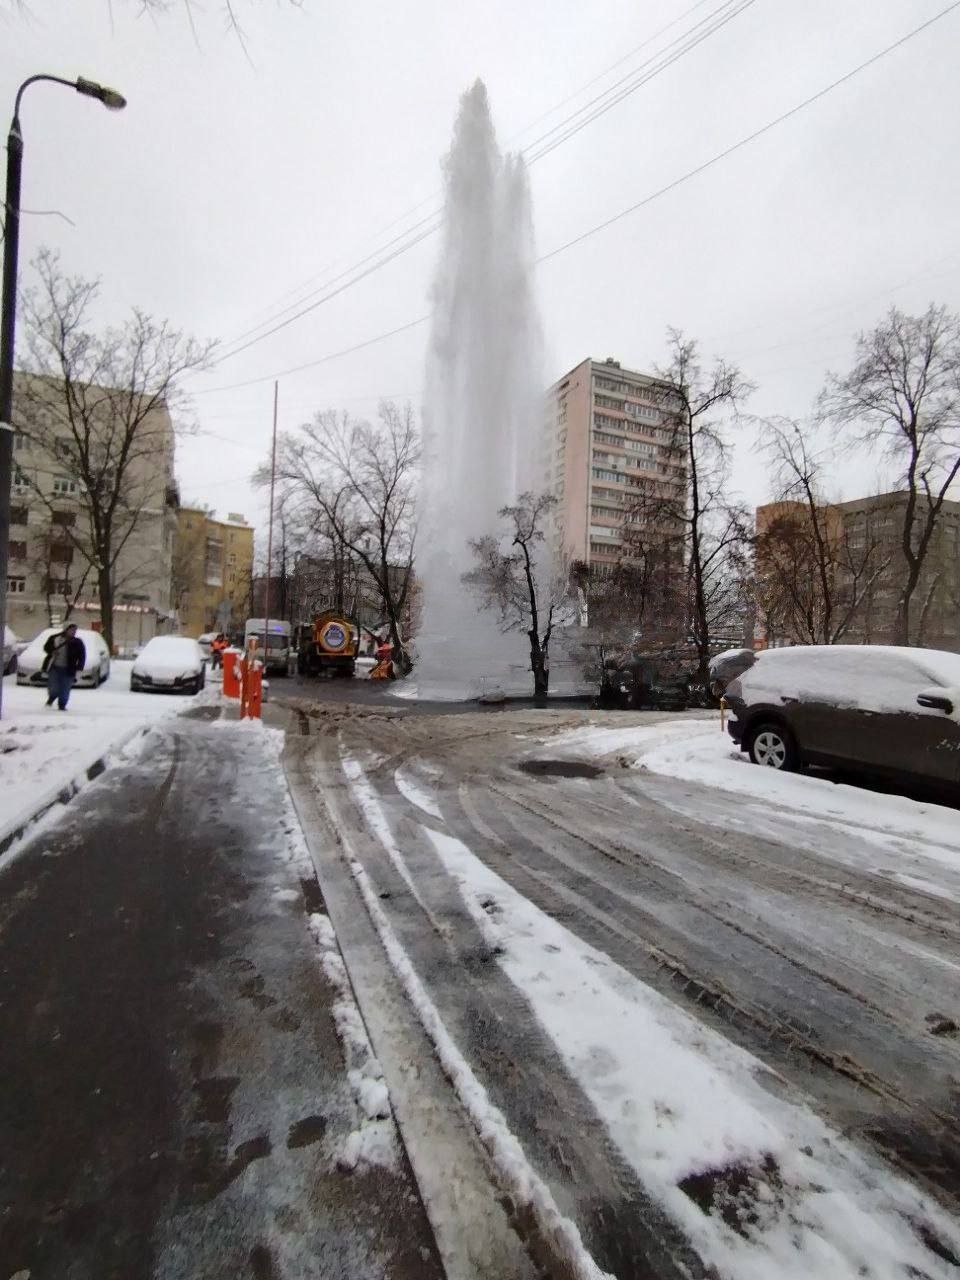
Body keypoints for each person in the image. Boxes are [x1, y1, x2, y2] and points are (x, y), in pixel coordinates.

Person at [43, 623, 86, 711]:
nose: (74, 632)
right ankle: (52, 697)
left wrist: (80, 666)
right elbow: (46, 647)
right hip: (55, 667)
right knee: (53, 687)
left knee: (65, 688)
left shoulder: (77, 642)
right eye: (72, 630)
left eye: (75, 630)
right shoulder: (55, 638)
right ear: (66, 629)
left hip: (69, 669)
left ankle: (62, 705)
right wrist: (52, 651)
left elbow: (82, 655)